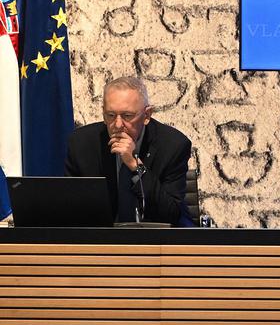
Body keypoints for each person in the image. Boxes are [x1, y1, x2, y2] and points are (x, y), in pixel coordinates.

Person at [65, 75, 193, 225]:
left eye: (127, 116)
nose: (118, 125)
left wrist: (135, 165)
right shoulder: (81, 144)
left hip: (152, 235)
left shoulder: (172, 145)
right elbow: (70, 207)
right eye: (111, 115)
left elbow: (171, 213)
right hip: (100, 235)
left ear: (147, 115)